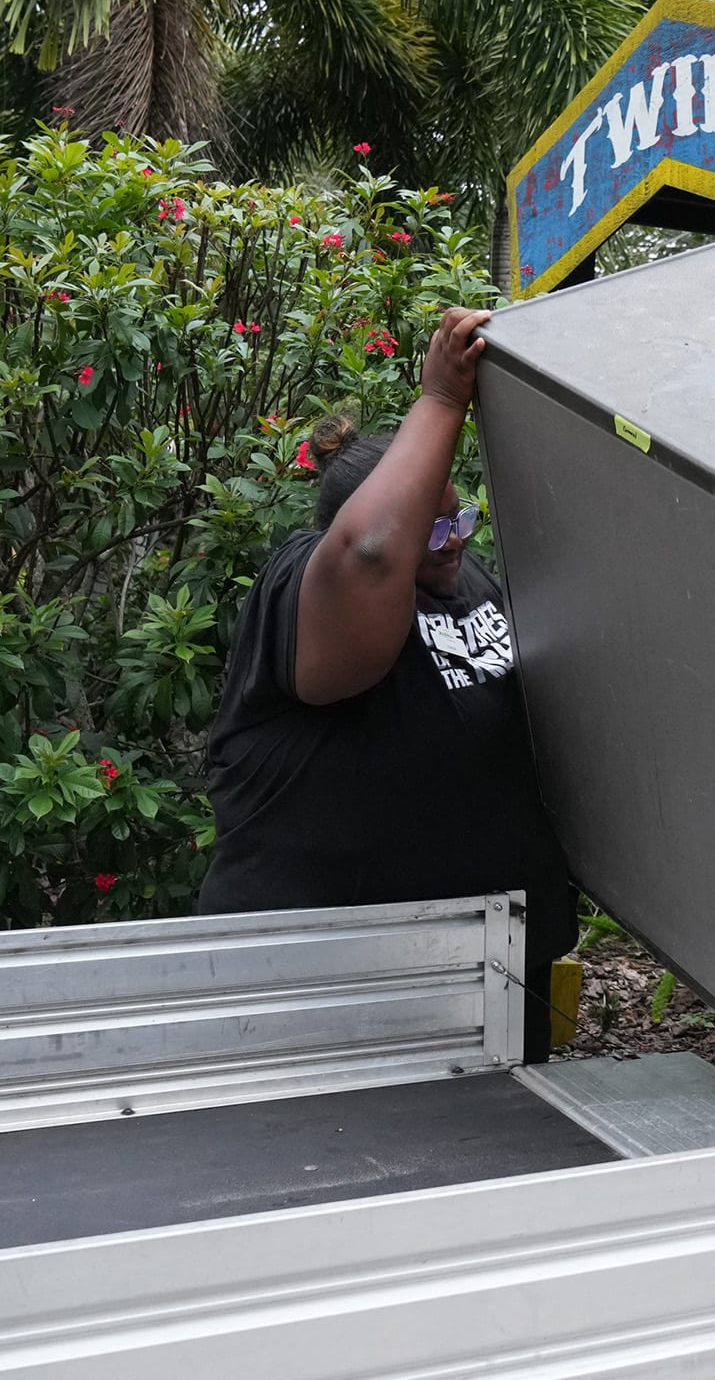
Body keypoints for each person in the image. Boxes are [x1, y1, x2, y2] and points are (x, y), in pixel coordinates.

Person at [202, 307, 573, 1059]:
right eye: (429, 528)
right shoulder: (298, 587)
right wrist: (440, 400)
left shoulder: (467, 578)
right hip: (329, 981)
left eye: (459, 516)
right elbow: (373, 553)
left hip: (490, 966)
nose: (455, 538)